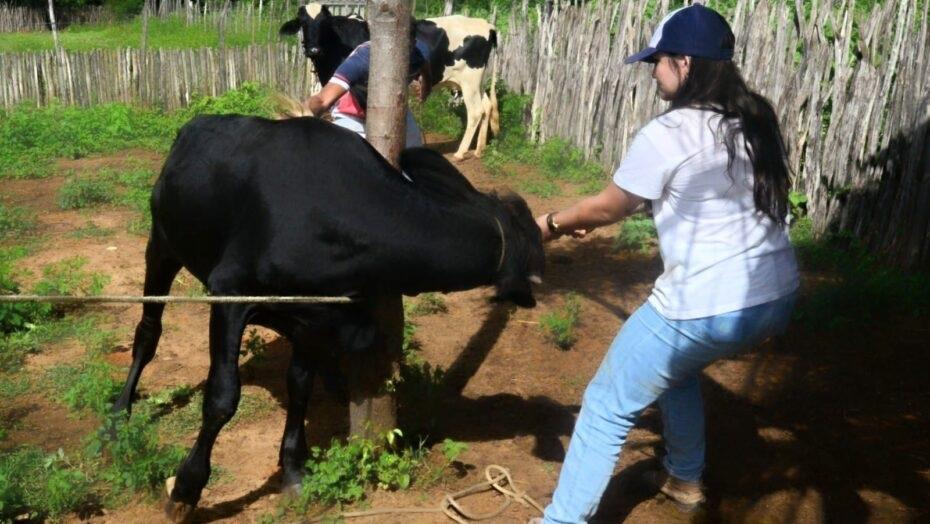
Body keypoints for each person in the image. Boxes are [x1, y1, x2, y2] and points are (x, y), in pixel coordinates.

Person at [530, 5, 800, 523]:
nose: (652, 71)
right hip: (775, 295)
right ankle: (684, 479)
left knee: (606, 405)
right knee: (674, 374)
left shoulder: (671, 131)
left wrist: (552, 223)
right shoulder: (752, 121)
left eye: (656, 61)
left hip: (705, 307)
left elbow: (612, 205)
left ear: (683, 62)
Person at [303, 26, 432, 148]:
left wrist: (426, 86)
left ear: (412, 43)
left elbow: (425, 67)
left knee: (415, 150)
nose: (392, 50)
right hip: (355, 115)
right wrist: (300, 114)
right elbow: (322, 100)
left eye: (401, 44)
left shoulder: (418, 54)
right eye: (388, 43)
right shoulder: (362, 60)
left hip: (395, 111)